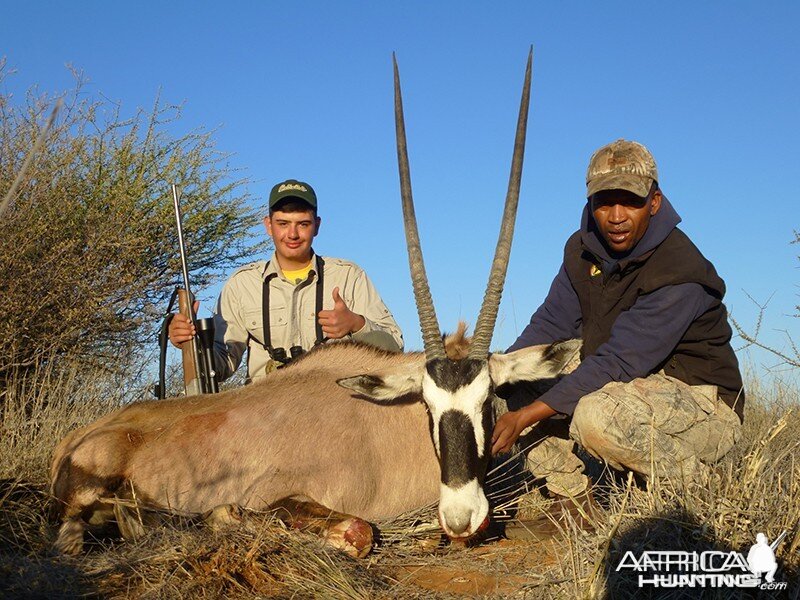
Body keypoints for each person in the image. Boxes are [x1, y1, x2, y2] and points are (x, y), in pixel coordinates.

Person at [491, 139, 745, 500]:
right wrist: (494, 373)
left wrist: (525, 417)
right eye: (604, 202)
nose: (616, 216)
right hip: (628, 384)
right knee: (515, 379)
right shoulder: (580, 251)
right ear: (589, 204)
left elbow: (619, 361)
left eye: (631, 202)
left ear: (654, 202)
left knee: (596, 419)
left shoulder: (679, 269)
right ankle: (573, 497)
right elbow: (550, 323)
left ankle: (705, 490)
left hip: (703, 404)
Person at [169, 179, 403, 383]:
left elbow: (395, 347)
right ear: (268, 225)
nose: (292, 234)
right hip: (264, 411)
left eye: (303, 224)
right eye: (283, 223)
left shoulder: (349, 276)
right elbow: (221, 366)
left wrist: (357, 324)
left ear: (317, 226)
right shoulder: (242, 284)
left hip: (334, 406)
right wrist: (191, 344)